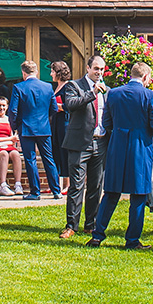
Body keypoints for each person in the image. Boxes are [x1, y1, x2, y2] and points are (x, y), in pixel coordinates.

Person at [90, 62, 153, 248]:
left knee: (111, 192)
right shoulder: (150, 95)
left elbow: (106, 122)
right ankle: (132, 239)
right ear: (146, 77)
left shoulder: (113, 93)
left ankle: (97, 235)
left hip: (117, 146)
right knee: (138, 194)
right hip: (140, 147)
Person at [59, 55, 106, 239]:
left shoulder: (106, 90)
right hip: (80, 144)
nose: (99, 72)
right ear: (88, 68)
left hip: (100, 142)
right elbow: (70, 105)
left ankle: (90, 225)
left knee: (96, 187)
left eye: (102, 69)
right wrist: (92, 93)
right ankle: (71, 225)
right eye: (96, 68)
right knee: (76, 186)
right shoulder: (74, 86)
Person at [9, 60, 57, 202]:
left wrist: (15, 126)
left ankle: (35, 192)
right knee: (49, 159)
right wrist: (45, 120)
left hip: (26, 128)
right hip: (44, 128)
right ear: (36, 71)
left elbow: (13, 110)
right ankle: (56, 191)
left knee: (30, 160)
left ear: (24, 73)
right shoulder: (48, 87)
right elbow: (54, 108)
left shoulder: (18, 87)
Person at [0, 92, 22, 196]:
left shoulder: (9, 120)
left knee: (16, 154)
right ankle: (2, 185)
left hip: (7, 145)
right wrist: (8, 140)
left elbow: (13, 139)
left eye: (3, 105)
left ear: (7, 107)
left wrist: (7, 141)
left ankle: (18, 184)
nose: (1, 108)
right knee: (4, 154)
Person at [48, 60, 71, 177]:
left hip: (64, 124)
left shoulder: (68, 87)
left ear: (58, 73)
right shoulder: (56, 87)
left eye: (52, 72)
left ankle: (67, 184)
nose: (51, 74)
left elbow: (70, 106)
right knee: (55, 151)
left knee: (64, 153)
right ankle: (57, 183)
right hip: (55, 124)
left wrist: (56, 106)